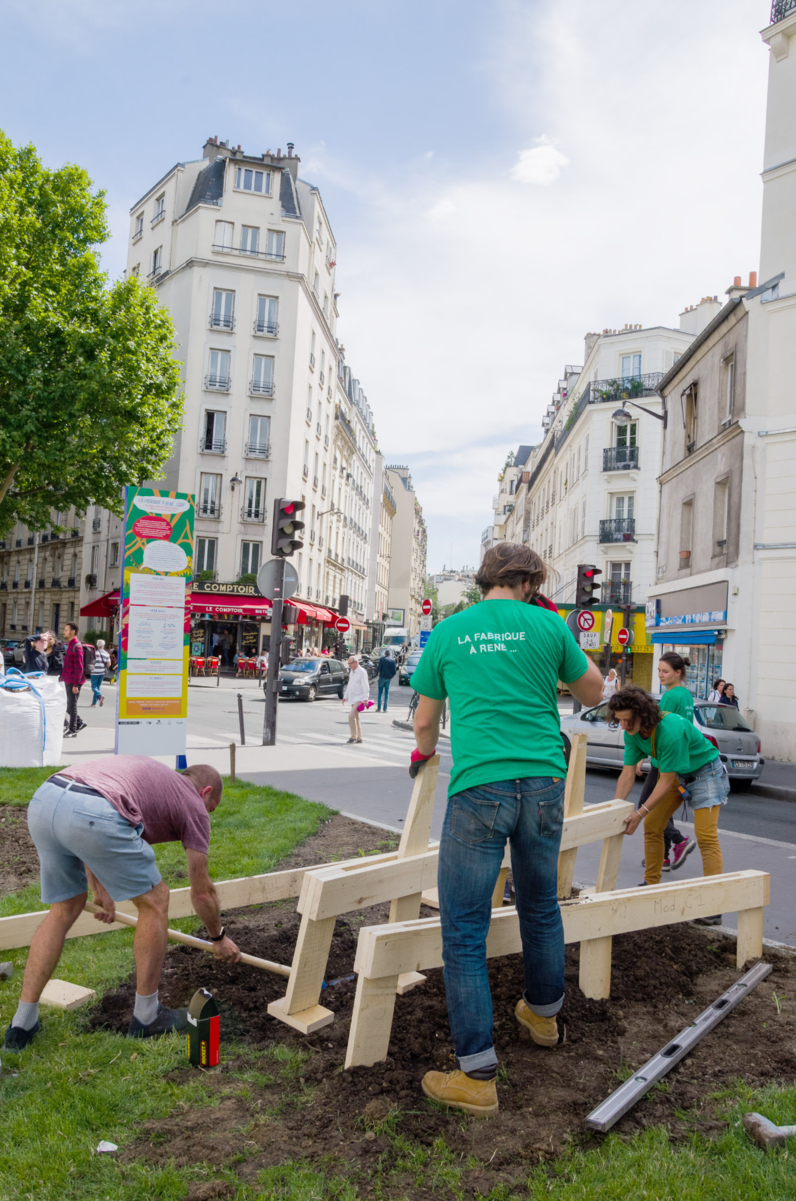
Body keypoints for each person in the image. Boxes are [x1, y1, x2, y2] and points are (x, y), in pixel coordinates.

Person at [408, 542, 604, 1117]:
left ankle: (477, 1075)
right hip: (544, 781)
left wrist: (423, 754)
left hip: (480, 788)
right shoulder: (547, 625)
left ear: (485, 579)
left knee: (464, 929)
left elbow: (425, 718)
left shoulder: (450, 629)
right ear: (530, 581)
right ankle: (543, 1019)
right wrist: (551, 655)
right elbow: (593, 692)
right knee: (542, 906)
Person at [3, 757, 241, 1052]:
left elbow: (91, 805)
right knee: (155, 902)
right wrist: (218, 938)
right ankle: (147, 1016)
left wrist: (98, 887)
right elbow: (202, 893)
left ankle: (21, 1024)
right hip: (90, 810)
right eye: (211, 808)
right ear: (205, 793)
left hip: (46, 800)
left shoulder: (155, 779)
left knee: (63, 909)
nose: (208, 815)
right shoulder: (193, 803)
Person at [608, 684, 728, 923]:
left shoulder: (669, 730)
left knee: (705, 837)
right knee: (653, 825)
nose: (623, 726)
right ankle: (651, 886)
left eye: (627, 720)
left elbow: (664, 783)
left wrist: (638, 813)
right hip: (677, 773)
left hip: (706, 772)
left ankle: (714, 907)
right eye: (619, 720)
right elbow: (628, 774)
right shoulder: (632, 733)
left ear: (642, 714)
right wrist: (613, 810)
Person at [638, 652, 696, 877]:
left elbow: (657, 728)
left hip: (663, 759)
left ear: (678, 672)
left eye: (665, 671)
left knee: (647, 804)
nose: (660, 675)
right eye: (659, 671)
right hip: (678, 756)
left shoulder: (670, 696)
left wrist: (643, 756)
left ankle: (679, 840)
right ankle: (662, 857)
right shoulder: (686, 695)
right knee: (661, 807)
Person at [60, 622, 85, 738]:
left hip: (74, 681)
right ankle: (79, 723)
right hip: (68, 679)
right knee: (67, 705)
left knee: (72, 705)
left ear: (73, 632)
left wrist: (76, 684)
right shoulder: (70, 644)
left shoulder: (77, 646)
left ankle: (73, 729)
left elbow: (79, 667)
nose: (64, 632)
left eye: (66, 630)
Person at [343, 653, 370, 743]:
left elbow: (365, 685)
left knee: (351, 716)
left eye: (350, 663)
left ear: (355, 663)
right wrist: (345, 696)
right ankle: (359, 737)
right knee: (356, 717)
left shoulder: (362, 672)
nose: (349, 665)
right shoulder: (352, 671)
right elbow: (350, 684)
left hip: (359, 697)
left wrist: (365, 698)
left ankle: (353, 737)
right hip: (353, 697)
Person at [89, 639, 111, 707]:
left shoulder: (94, 653)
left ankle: (100, 696)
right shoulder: (106, 654)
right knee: (98, 687)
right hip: (102, 672)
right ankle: (94, 703)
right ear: (103, 645)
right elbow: (109, 664)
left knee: (94, 687)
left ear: (97, 645)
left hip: (94, 672)